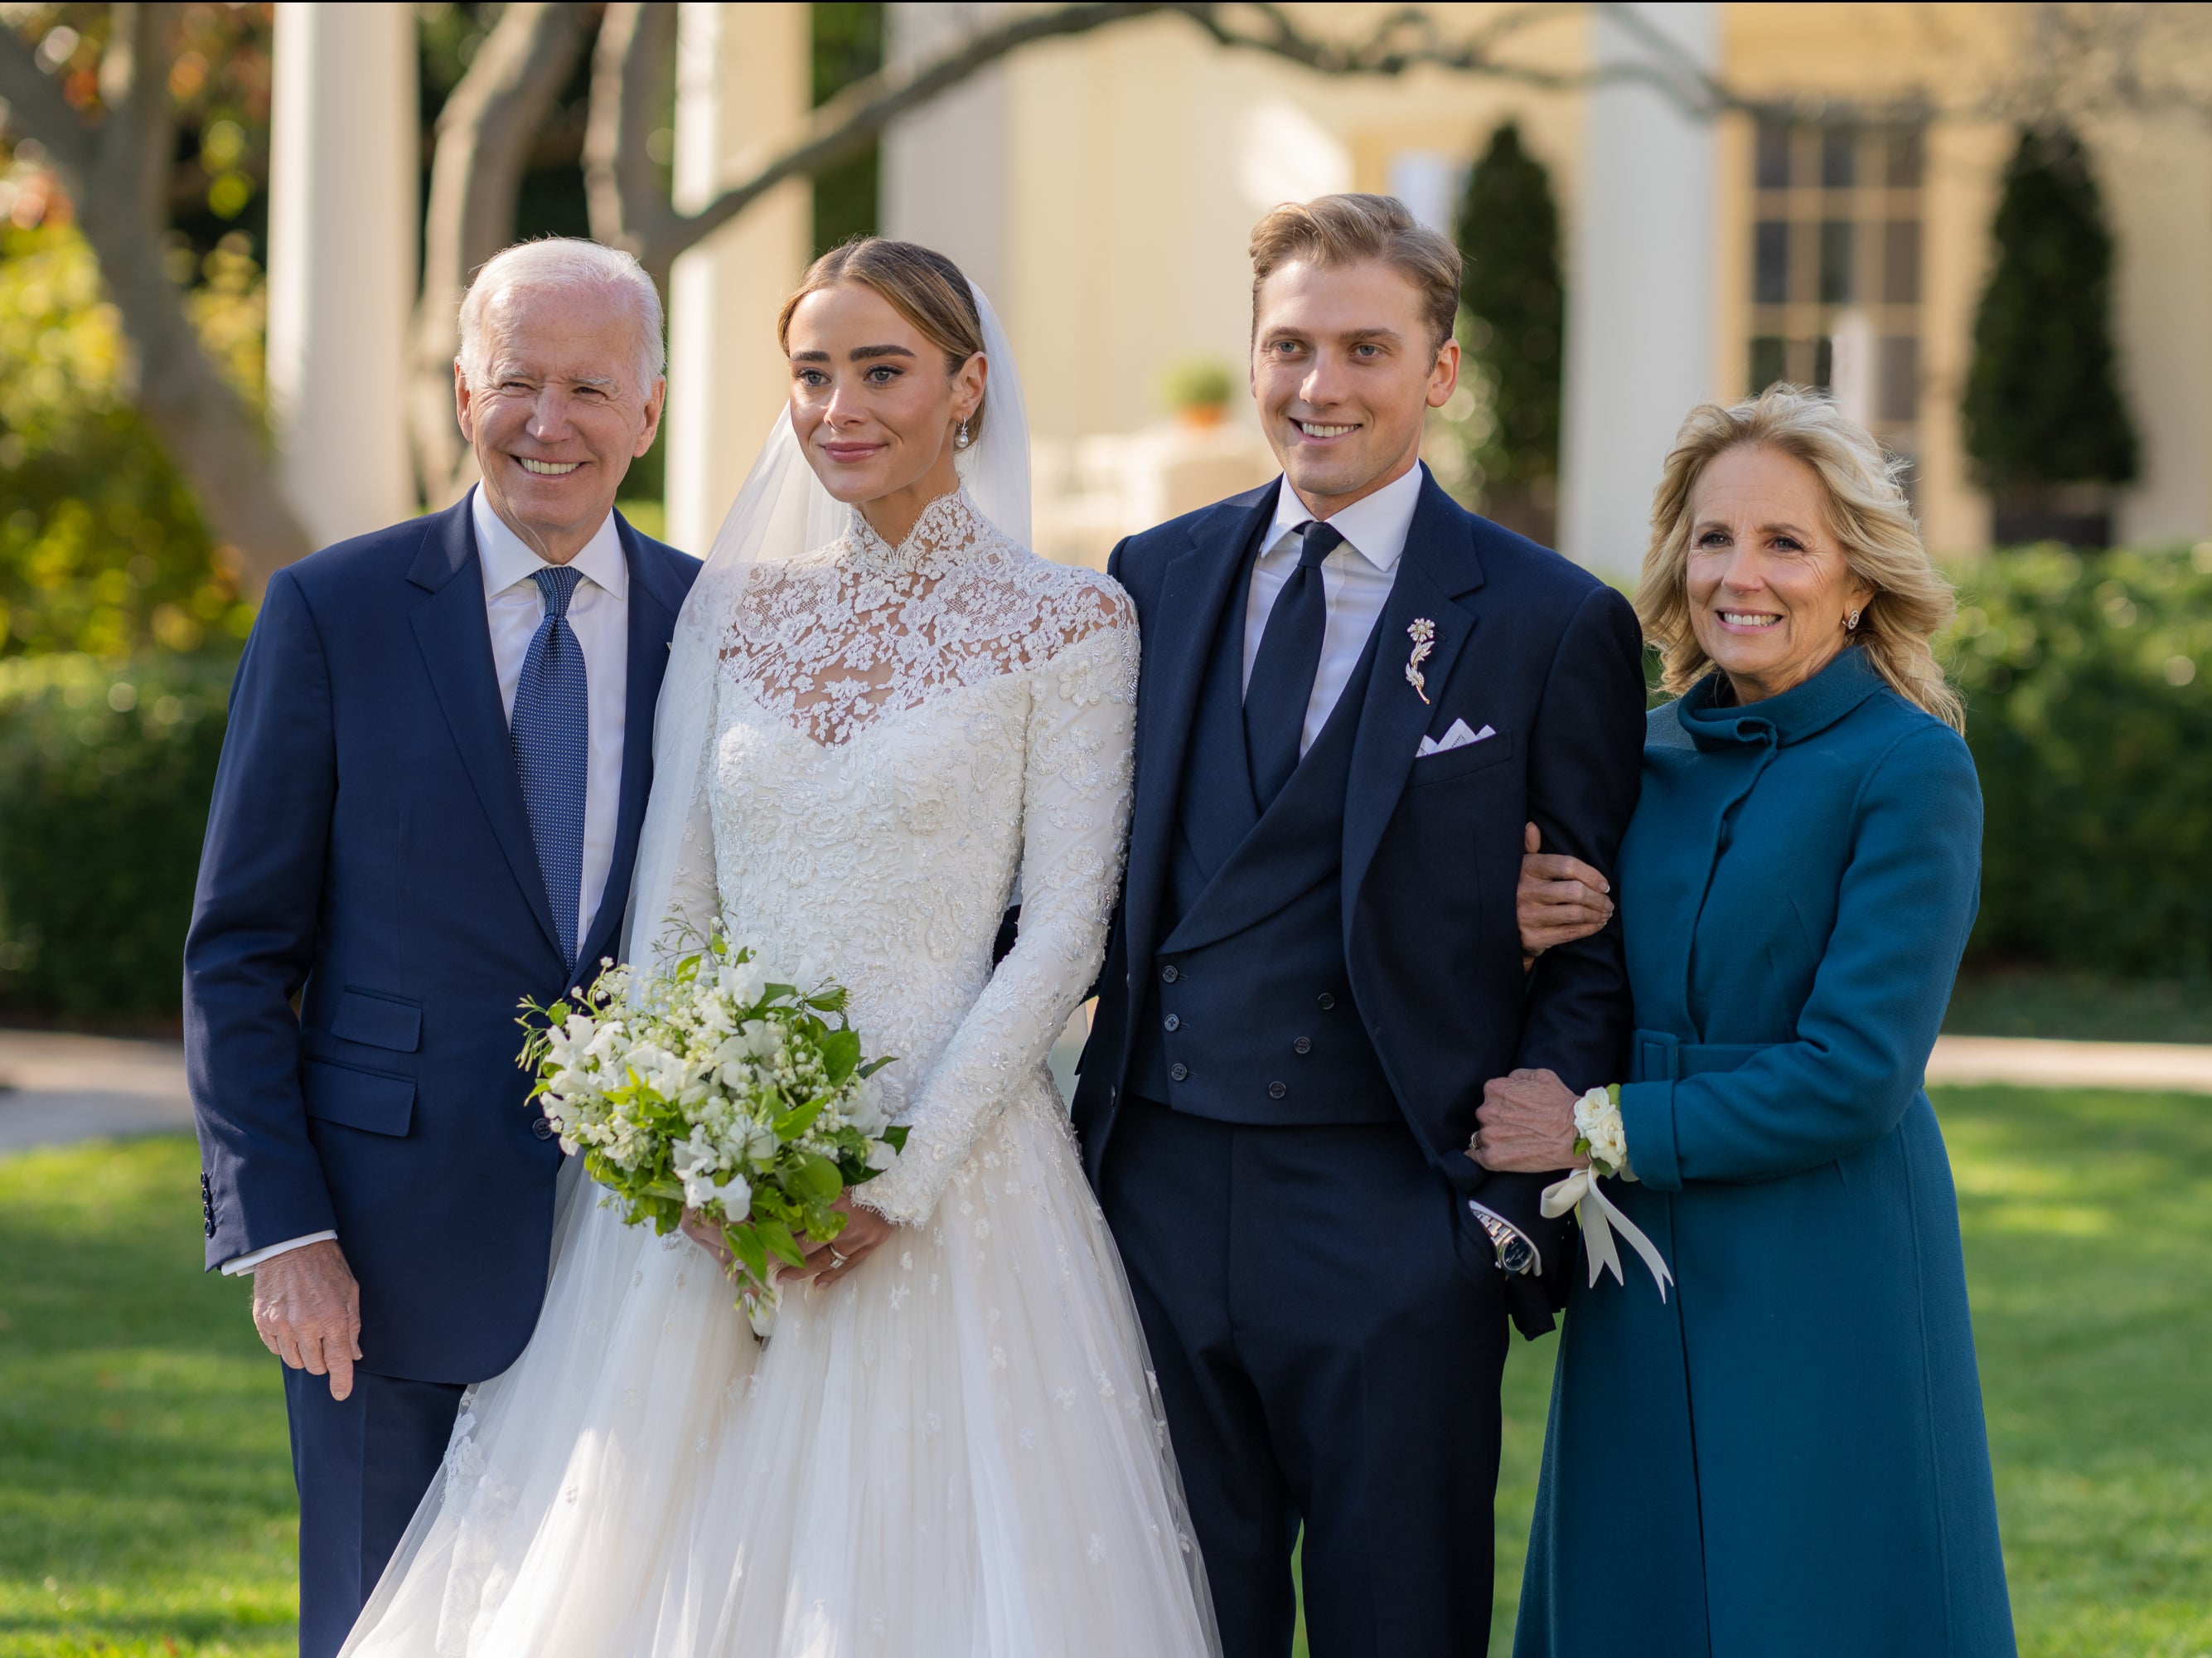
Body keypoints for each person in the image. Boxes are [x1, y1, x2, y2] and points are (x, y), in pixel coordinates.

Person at [335, 238, 1221, 1656]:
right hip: (704, 1195)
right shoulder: (733, 613)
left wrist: (901, 1174)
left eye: (881, 370)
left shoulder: (1072, 620)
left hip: (952, 1183)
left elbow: (1063, 932)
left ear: (967, 386)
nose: (837, 408)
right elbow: (674, 916)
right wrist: (683, 1143)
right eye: (811, 373)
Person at [1070, 193, 1648, 1657]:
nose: (1318, 386)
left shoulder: (1545, 618)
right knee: (1180, 1617)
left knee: (1403, 1624)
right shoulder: (1153, 577)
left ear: (1438, 372)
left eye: (1365, 349)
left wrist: (1493, 1221)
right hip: (1149, 1188)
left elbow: (1590, 950)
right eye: (1288, 347)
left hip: (1394, 1204)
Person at [184, 239, 699, 1657]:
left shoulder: (716, 628)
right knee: (376, 1619)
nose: (551, 422)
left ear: (648, 411)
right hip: (381, 1244)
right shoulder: (333, 612)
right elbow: (237, 951)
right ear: (463, 390)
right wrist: (283, 1234)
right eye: (517, 382)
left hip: (649, 1251)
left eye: (590, 388)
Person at [1484, 387, 2017, 1657]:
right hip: (1640, 1266)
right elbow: (1587, 987)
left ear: (1856, 580)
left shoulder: (1910, 768)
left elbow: (1855, 1074)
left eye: (1785, 542)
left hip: (1818, 1261)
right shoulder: (1637, 754)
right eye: (1713, 538)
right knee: (1638, 1585)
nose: (1740, 575)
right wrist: (1517, 928)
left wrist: (1596, 1125)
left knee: (1815, 1587)